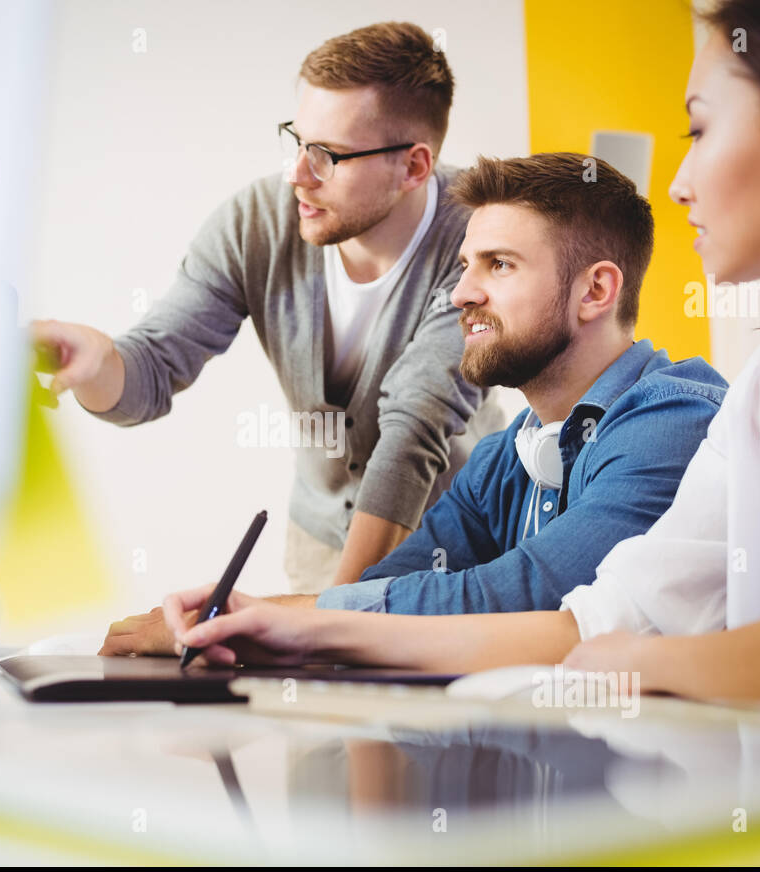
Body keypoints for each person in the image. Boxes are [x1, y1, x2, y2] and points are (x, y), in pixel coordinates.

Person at [160, 0, 760, 713]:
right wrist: (289, 630)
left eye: (699, 131)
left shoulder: (679, 414)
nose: (677, 184)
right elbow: (599, 623)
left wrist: (656, 662)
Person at [100, 153, 727, 656]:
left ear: (596, 290)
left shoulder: (673, 423)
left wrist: (273, 618)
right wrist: (250, 631)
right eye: (463, 266)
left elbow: (530, 594)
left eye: (499, 265)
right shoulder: (506, 456)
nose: (461, 294)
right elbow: (385, 588)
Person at [32, 22, 504, 594]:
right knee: (311, 685)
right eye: (297, 140)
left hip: (458, 551)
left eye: (328, 155)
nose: (298, 175)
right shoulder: (254, 223)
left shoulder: (482, 242)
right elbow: (153, 367)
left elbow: (415, 428)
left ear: (412, 166)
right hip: (321, 542)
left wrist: (332, 618)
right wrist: (101, 361)